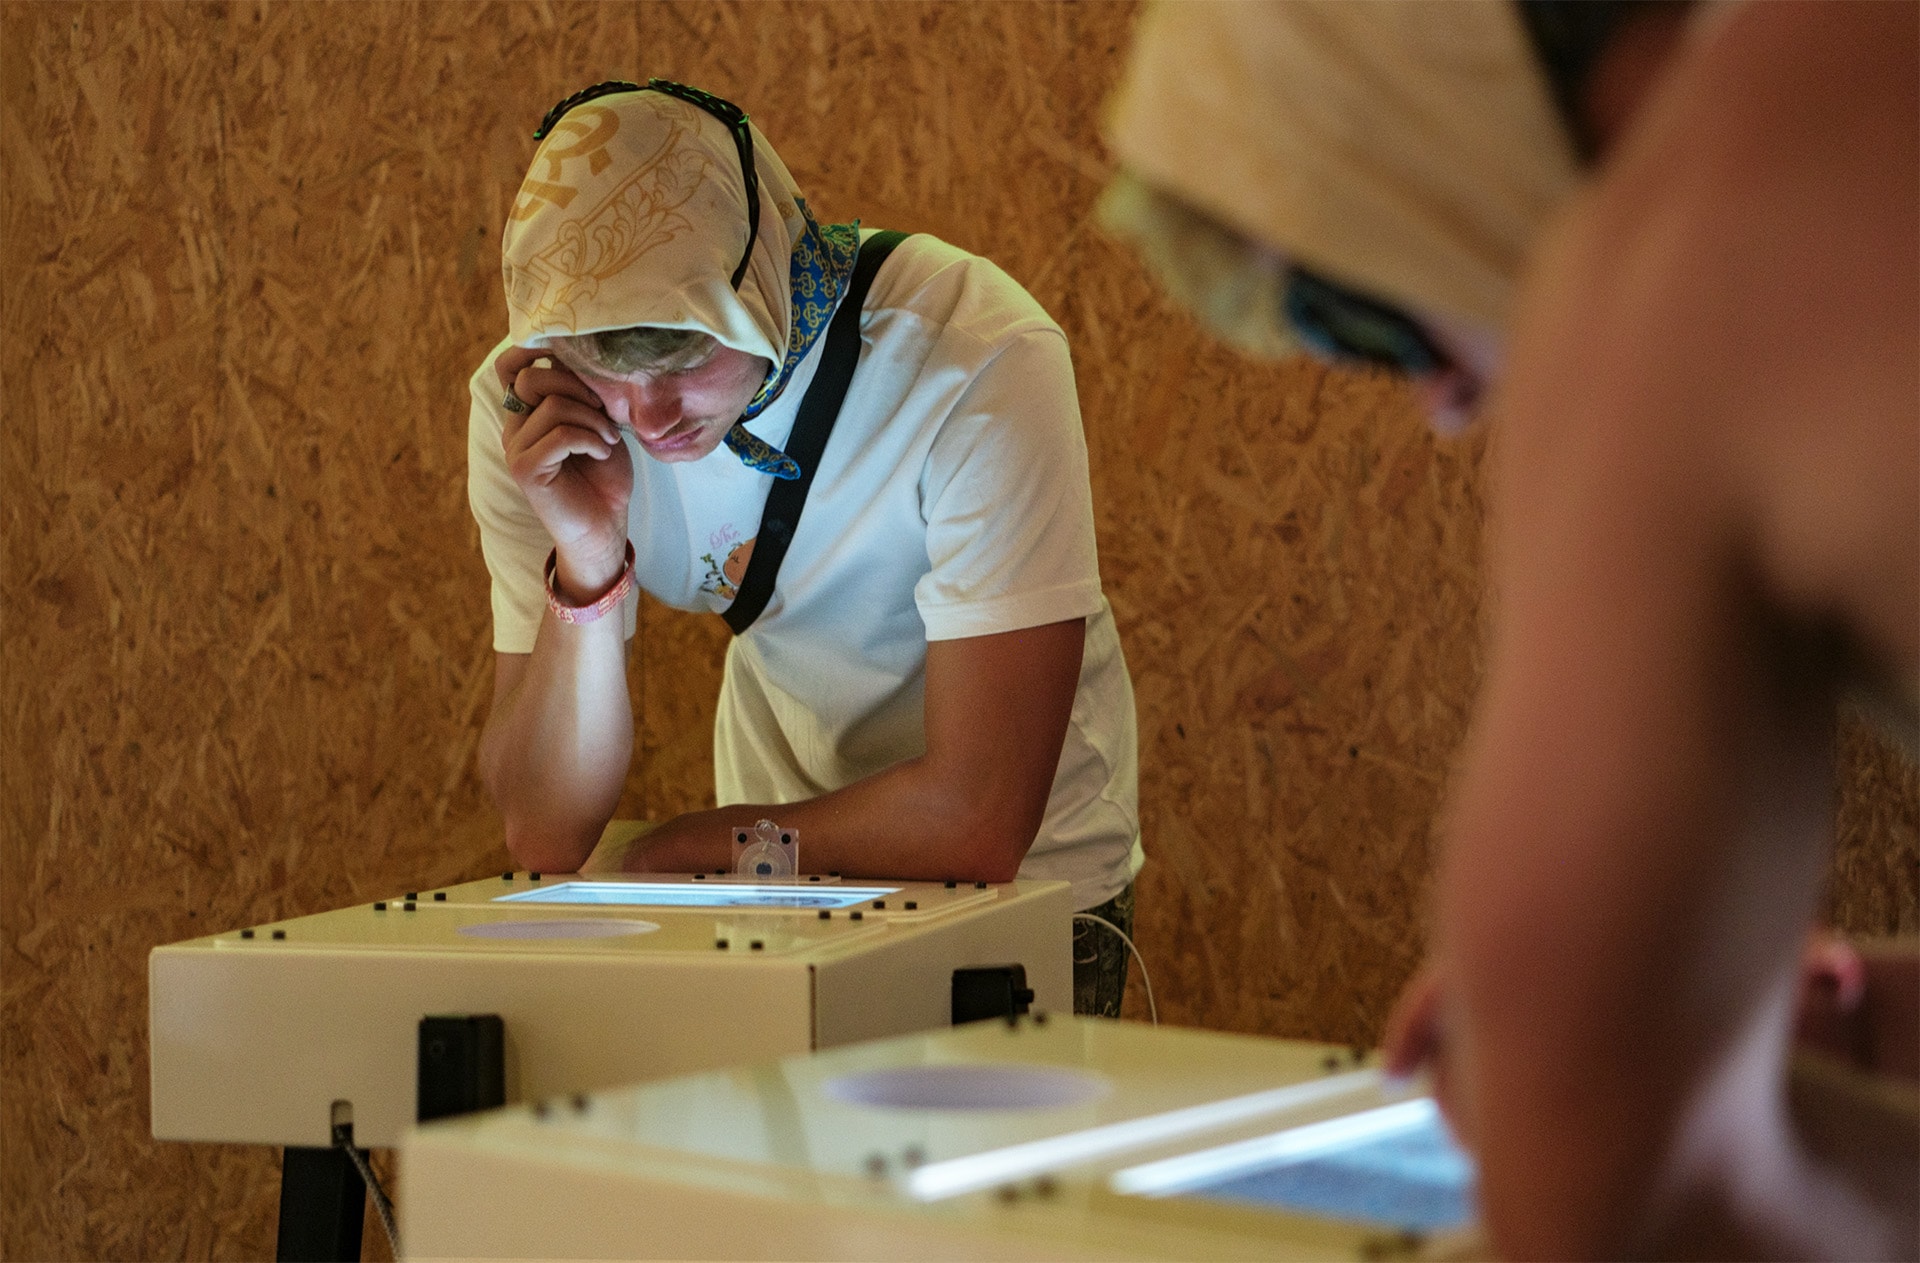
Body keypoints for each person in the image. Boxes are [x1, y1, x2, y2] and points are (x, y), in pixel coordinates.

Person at [1100, 0, 1916, 1255]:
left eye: (1351, 316)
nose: (1441, 401)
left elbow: (1627, 1213)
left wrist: (1623, 1084)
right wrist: (1854, 1033)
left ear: (1427, 118)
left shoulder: (1673, 248)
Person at [470, 80, 1143, 1016]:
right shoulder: (544, 424)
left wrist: (680, 849)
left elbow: (979, 817)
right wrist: (587, 558)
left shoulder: (976, 352)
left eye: (686, 358)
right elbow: (544, 827)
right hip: (777, 883)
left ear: (758, 282)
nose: (650, 416)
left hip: (1027, 887)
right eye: (608, 370)